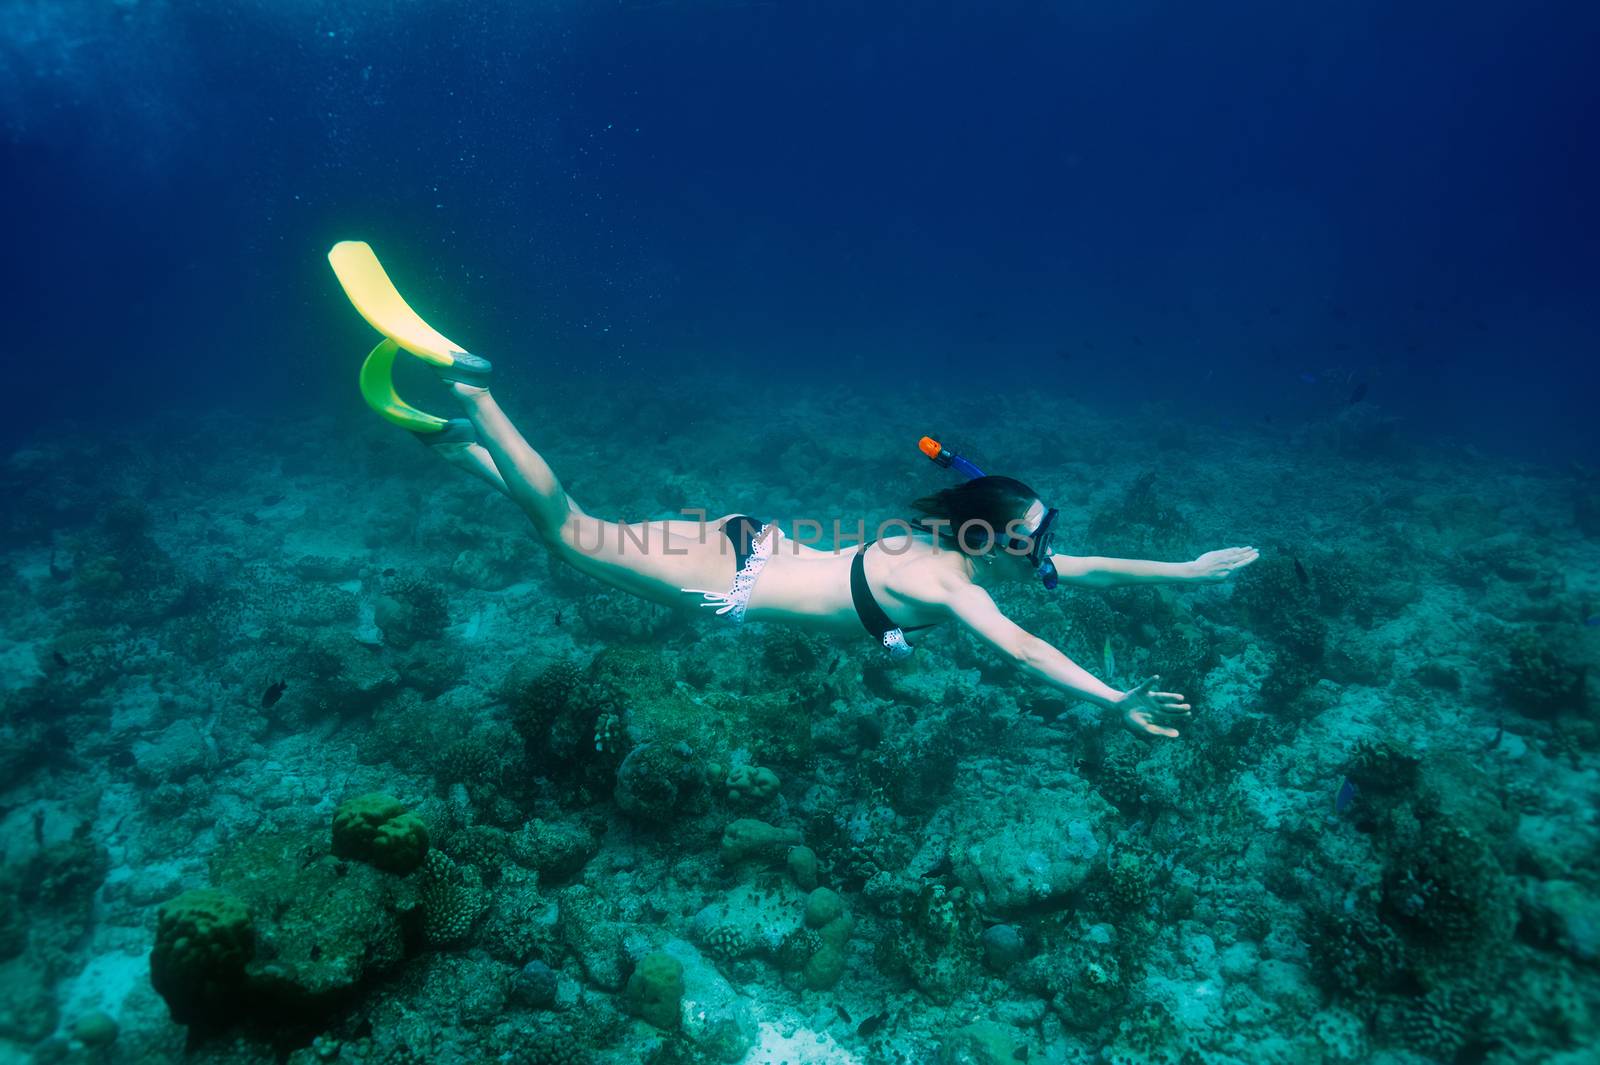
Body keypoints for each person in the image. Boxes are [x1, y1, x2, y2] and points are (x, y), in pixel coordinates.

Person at [329, 242, 1258, 740]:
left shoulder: (962, 555)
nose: (1052, 545)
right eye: (1040, 531)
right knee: (570, 533)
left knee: (571, 536)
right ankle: (476, 391)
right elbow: (1020, 649)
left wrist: (1195, 571)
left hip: (751, 541)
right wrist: (1110, 701)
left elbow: (1088, 572)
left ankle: (453, 445)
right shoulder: (952, 587)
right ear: (998, 539)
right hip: (733, 577)